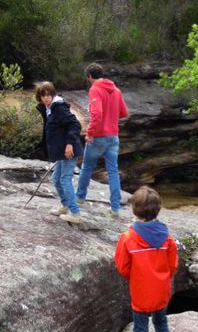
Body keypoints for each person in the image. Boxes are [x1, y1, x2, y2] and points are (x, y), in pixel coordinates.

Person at [114, 186, 179, 332]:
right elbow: (173, 265)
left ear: (134, 210)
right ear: (157, 209)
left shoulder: (128, 238)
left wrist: (138, 279)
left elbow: (122, 267)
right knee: (161, 324)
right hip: (161, 291)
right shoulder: (167, 237)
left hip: (141, 292)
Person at [76, 63, 129, 217]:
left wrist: (90, 132)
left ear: (89, 77)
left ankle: (80, 198)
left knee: (86, 167)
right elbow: (124, 112)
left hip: (98, 136)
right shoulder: (116, 90)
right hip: (113, 137)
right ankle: (115, 209)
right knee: (113, 171)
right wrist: (110, 119)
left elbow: (97, 114)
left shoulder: (95, 89)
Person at [35, 81, 83, 225]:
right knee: (56, 179)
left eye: (48, 95)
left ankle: (75, 213)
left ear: (53, 94)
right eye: (43, 95)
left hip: (69, 150)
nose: (46, 98)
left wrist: (69, 144)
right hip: (61, 151)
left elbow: (75, 125)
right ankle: (66, 205)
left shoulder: (59, 108)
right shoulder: (48, 109)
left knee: (65, 179)